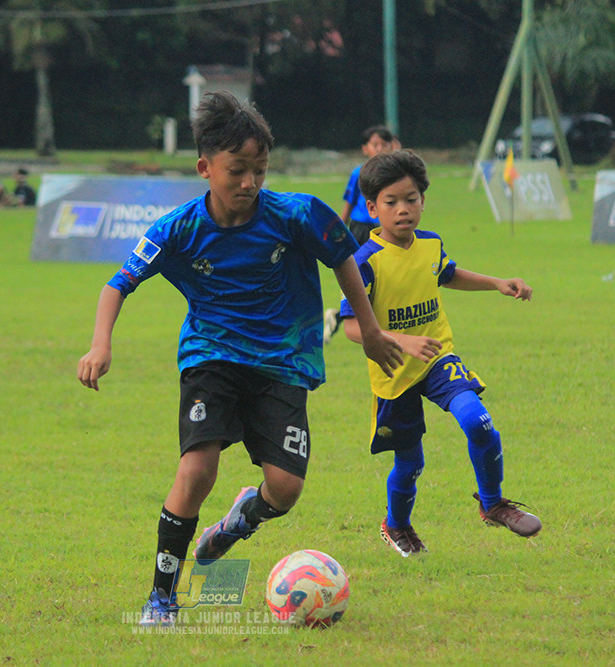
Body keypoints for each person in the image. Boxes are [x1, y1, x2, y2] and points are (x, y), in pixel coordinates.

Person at [76, 91, 403, 627]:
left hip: (283, 363)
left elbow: (344, 254)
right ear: (205, 168)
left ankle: (237, 521)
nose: (250, 182)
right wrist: (100, 343)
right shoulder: (177, 228)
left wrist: (368, 329)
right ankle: (161, 599)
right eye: (237, 170)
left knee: (286, 489)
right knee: (198, 468)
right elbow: (118, 285)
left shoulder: (295, 214)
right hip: (212, 356)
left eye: (259, 169)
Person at [338, 149, 541, 558]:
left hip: (437, 357)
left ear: (423, 202)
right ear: (372, 208)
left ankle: (493, 503)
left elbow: (447, 274)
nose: (403, 210)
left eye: (411, 199)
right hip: (394, 372)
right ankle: (396, 524)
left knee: (478, 421)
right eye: (391, 202)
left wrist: (497, 282)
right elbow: (351, 327)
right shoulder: (364, 262)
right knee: (410, 464)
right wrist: (400, 340)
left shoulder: (430, 245)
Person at [324, 125, 400, 344]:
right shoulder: (359, 173)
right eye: (374, 145)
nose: (379, 149)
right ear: (365, 148)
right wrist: (338, 233)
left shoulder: (393, 172)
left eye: (384, 145)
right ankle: (345, 317)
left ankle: (337, 317)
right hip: (361, 229)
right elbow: (348, 203)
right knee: (362, 278)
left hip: (385, 230)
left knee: (385, 278)